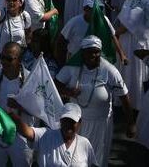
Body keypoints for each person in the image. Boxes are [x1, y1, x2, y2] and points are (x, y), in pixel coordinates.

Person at [55, 35, 133, 167]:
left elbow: (124, 96)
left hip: (100, 125)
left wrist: (131, 123)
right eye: (89, 51)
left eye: (96, 51)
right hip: (75, 124)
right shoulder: (72, 67)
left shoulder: (109, 70)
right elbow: (56, 83)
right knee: (73, 159)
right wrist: (68, 92)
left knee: (96, 160)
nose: (93, 55)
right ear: (82, 53)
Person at [0, 41, 32, 167]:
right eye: (2, 57)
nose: (4, 62)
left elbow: (40, 110)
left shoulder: (30, 79)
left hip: (21, 135)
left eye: (9, 59)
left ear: (19, 59)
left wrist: (20, 106)